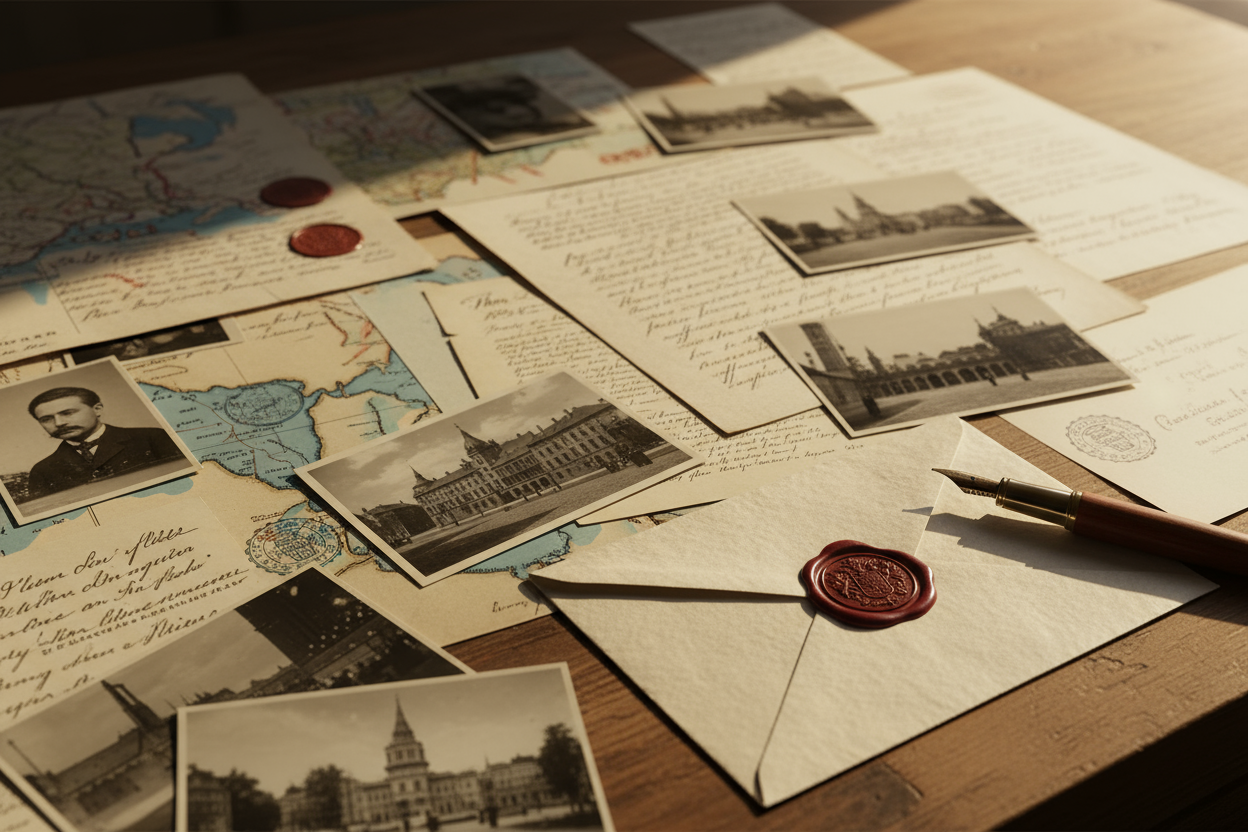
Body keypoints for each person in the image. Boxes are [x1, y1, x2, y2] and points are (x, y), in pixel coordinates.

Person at [25, 386, 183, 499]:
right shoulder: (42, 470)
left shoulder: (153, 437)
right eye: (46, 419)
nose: (59, 423)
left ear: (97, 409)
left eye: (67, 413)